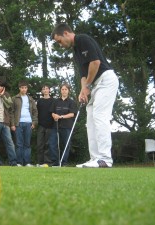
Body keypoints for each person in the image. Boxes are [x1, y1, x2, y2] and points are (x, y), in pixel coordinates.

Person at [52, 23, 119, 168]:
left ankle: (105, 159)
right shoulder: (75, 52)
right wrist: (83, 90)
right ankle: (95, 158)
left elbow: (95, 63)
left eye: (59, 41)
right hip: (94, 85)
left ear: (66, 33)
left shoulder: (82, 39)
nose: (60, 45)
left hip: (106, 80)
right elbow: (83, 75)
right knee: (90, 120)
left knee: (100, 116)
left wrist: (87, 86)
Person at [49, 83, 78, 166]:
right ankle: (55, 162)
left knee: (66, 145)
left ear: (68, 91)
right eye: (62, 89)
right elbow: (52, 112)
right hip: (56, 126)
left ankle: (63, 162)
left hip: (67, 126)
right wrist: (54, 115)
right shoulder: (56, 101)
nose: (64, 91)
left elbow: (72, 114)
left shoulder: (71, 102)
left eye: (66, 89)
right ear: (60, 90)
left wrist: (61, 116)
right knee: (52, 144)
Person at [11, 80, 38, 167]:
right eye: (22, 88)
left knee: (27, 144)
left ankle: (27, 162)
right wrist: (12, 124)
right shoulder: (14, 98)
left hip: (28, 123)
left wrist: (34, 122)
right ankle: (19, 162)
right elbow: (11, 112)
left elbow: (35, 111)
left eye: (25, 88)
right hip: (18, 123)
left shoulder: (31, 99)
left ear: (27, 88)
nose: (24, 89)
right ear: (19, 88)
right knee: (19, 144)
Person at [36, 84, 54, 166]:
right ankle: (40, 162)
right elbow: (36, 113)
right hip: (41, 125)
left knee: (48, 144)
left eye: (47, 88)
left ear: (49, 90)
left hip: (50, 125)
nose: (45, 90)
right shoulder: (39, 101)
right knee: (40, 144)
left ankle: (47, 162)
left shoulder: (53, 101)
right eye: (44, 89)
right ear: (42, 91)